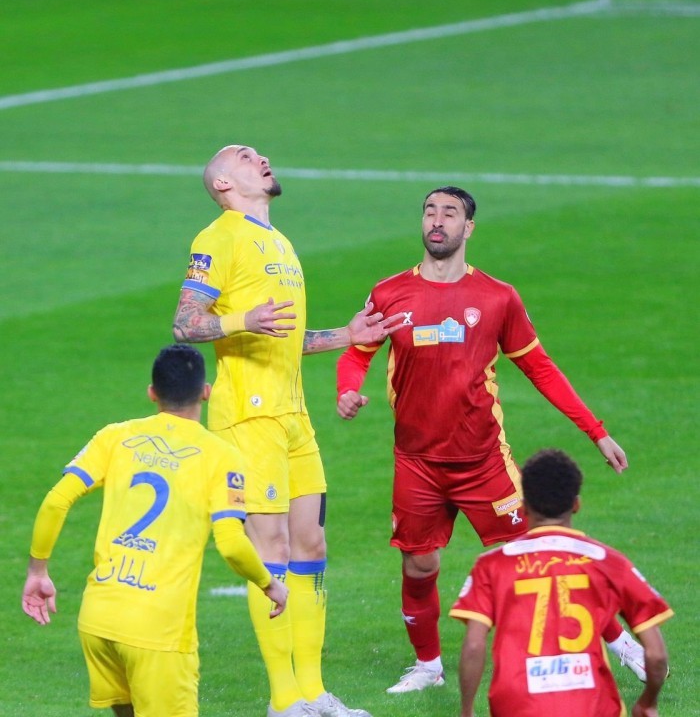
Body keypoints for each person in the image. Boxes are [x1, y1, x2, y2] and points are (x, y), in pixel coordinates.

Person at [335, 185, 647, 694]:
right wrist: (347, 391)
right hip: (416, 461)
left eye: (449, 213)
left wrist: (597, 432)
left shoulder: (497, 297)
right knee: (419, 563)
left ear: (469, 228)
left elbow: (540, 368)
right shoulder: (389, 293)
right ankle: (428, 666)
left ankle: (620, 641)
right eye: (430, 212)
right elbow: (356, 352)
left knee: (540, 552)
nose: (437, 221)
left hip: (482, 460)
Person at [172, 144, 401, 717]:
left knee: (312, 545)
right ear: (224, 184)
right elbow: (186, 323)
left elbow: (284, 337)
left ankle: (314, 693)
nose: (260, 158)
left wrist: (345, 336)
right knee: (269, 547)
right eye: (245, 156)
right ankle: (284, 700)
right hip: (248, 418)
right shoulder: (216, 239)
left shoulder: (280, 243)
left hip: (294, 418)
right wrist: (241, 319)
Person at [22, 343, 288, 717]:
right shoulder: (222, 456)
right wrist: (268, 583)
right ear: (206, 392)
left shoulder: (114, 436)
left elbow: (55, 501)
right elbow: (231, 544)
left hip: (98, 620)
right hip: (158, 632)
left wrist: (37, 571)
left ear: (152, 393)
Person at [449, 448, 673, 717]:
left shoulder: (491, 565)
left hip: (517, 707)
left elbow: (474, 645)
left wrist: (466, 711)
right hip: (592, 708)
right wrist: (647, 703)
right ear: (576, 504)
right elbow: (656, 655)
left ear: (524, 505)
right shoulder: (609, 562)